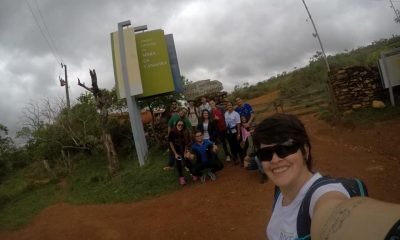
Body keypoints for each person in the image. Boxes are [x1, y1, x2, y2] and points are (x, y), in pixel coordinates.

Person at [253, 113, 400, 240]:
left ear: (305, 150)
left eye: (285, 149)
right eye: (265, 154)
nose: (275, 160)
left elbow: (333, 212)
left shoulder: (323, 194)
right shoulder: (280, 192)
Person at [168, 120, 193, 185]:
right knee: (178, 163)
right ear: (176, 125)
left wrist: (185, 151)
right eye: (179, 124)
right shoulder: (172, 132)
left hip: (183, 149)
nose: (180, 126)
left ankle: (193, 173)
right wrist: (175, 153)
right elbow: (170, 143)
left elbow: (186, 143)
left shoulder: (184, 132)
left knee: (187, 160)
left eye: (182, 125)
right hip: (175, 150)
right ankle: (181, 178)